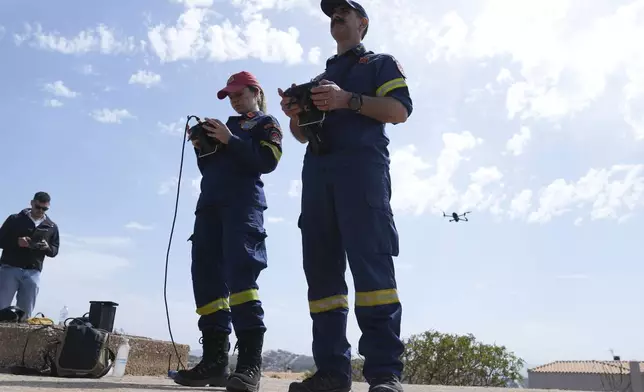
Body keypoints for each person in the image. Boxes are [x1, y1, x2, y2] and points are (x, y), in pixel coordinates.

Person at [277, 1, 413, 392]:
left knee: (373, 275)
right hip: (318, 181)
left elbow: (400, 110)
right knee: (322, 281)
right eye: (331, 12)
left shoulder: (380, 64)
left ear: (362, 23)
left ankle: (385, 374)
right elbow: (302, 135)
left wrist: (347, 100)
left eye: (344, 11)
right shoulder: (319, 77)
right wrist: (294, 113)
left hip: (361, 177)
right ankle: (332, 372)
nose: (335, 16)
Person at [173, 71, 283, 391]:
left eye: (238, 94)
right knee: (206, 283)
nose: (233, 100)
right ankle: (214, 363)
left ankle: (249, 364)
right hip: (209, 208)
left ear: (255, 92)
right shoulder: (225, 126)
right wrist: (201, 144)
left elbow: (268, 160)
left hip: (242, 207)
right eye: (230, 96)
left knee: (241, 281)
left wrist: (229, 140)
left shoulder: (266, 124)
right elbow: (211, 167)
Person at [0, 191, 60, 319]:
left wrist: (47, 247)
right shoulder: (14, 219)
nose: (41, 211)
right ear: (32, 203)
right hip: (10, 268)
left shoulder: (52, 227)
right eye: (38, 207)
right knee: (2, 307)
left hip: (33, 272)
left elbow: (54, 250)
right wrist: (17, 242)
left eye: (44, 209)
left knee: (25, 313)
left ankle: (20, 338)